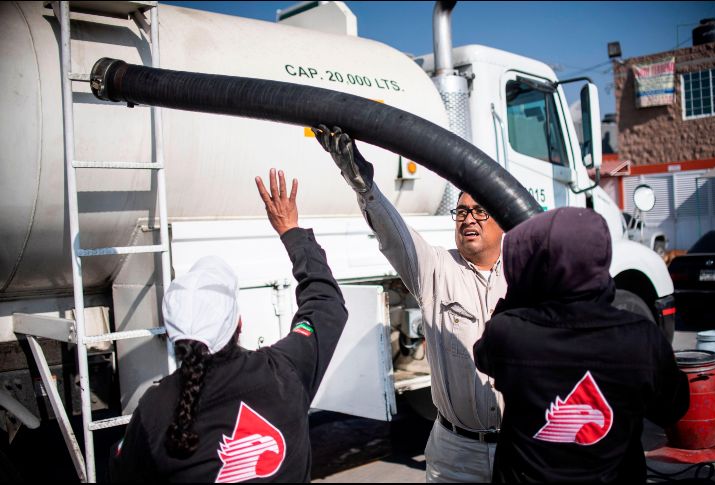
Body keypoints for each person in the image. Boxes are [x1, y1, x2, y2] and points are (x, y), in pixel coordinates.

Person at [108, 169, 348, 482]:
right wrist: (290, 231)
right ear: (239, 323)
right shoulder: (283, 374)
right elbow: (327, 305)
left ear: (171, 335)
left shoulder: (154, 411)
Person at [314, 125, 505, 482]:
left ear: (502, 221)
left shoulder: (525, 273)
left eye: (479, 211)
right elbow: (394, 235)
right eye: (461, 212)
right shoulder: (436, 269)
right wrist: (362, 185)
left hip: (518, 447)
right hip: (456, 453)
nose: (468, 219)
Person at [474, 207, 689, 483]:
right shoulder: (642, 338)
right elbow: (673, 408)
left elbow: (483, 356)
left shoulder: (509, 333)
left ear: (537, 265)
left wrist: (520, 291)